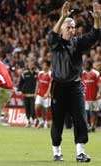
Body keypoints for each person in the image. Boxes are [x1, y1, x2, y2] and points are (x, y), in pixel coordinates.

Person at [47, 1, 101, 162]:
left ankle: (80, 152)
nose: (72, 29)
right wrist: (63, 16)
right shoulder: (55, 43)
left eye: (73, 27)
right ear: (62, 28)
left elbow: (95, 36)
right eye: (68, 27)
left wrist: (97, 19)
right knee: (57, 121)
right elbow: (51, 36)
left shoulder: (77, 43)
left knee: (81, 119)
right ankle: (56, 150)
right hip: (58, 87)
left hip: (75, 86)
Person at [82, 59, 100, 132]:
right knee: (86, 112)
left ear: (90, 64)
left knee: (94, 112)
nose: (85, 65)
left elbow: (99, 84)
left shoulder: (96, 73)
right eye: (84, 64)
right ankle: (88, 125)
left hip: (94, 96)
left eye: (87, 64)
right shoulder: (83, 73)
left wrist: (99, 93)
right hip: (85, 96)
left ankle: (93, 125)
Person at [18, 61, 37, 127]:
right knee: (27, 108)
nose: (31, 65)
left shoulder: (37, 73)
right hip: (26, 94)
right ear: (28, 65)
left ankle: (33, 120)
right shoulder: (24, 73)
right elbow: (20, 83)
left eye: (32, 64)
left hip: (33, 94)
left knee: (33, 108)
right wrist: (19, 90)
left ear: (34, 65)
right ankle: (28, 121)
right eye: (30, 64)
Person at [35, 60, 52, 128]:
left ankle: (48, 122)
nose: (43, 66)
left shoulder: (50, 74)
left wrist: (47, 93)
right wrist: (35, 92)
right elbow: (38, 83)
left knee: (48, 109)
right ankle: (41, 121)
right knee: (37, 107)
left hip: (47, 95)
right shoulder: (40, 73)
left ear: (48, 66)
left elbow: (50, 84)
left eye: (44, 65)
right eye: (42, 65)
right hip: (40, 94)